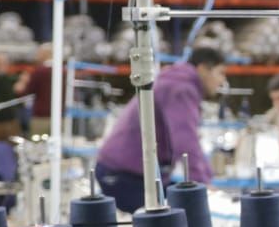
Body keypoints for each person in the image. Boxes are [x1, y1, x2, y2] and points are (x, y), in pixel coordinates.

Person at [95, 48, 227, 213]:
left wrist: (207, 178)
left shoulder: (176, 82)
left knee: (172, 215)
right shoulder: (181, 89)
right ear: (202, 68)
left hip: (130, 171)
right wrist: (202, 185)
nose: (222, 81)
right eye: (220, 73)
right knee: (166, 224)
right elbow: (185, 140)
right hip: (123, 175)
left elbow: (191, 140)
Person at [15, 43, 53, 137]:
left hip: (41, 118)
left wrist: (22, 83)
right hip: (60, 118)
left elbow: (25, 93)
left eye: (39, 53)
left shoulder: (40, 72)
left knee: (38, 148)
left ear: (45, 54)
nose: (37, 56)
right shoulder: (63, 71)